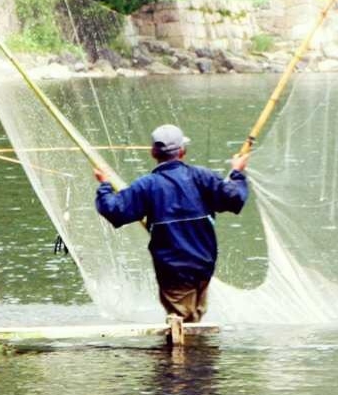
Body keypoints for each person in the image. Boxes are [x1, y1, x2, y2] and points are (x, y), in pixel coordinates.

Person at [94, 124, 248, 322]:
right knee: (194, 319)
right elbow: (234, 198)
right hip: (203, 266)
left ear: (153, 152)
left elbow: (114, 210)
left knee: (182, 323)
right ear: (182, 151)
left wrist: (104, 185)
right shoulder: (202, 177)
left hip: (173, 270)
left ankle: (181, 352)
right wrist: (237, 172)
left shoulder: (147, 185)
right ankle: (197, 351)